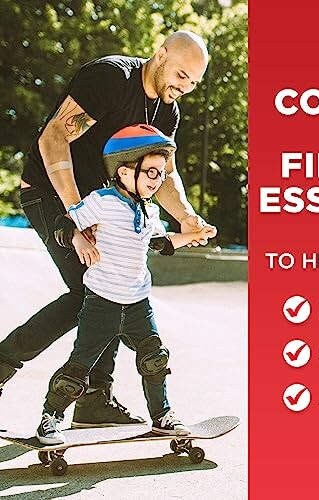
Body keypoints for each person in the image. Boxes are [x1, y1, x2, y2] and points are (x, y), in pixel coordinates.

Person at [0, 30, 212, 427]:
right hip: (50, 191)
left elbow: (163, 172)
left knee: (112, 284)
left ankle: (95, 399)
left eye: (193, 83)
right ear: (160, 55)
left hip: (101, 207)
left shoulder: (166, 112)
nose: (184, 87)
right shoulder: (112, 78)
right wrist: (77, 213)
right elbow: (53, 139)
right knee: (91, 292)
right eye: (181, 75)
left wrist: (185, 216)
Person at [37, 124, 217, 445]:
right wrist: (79, 239)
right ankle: (51, 417)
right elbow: (64, 223)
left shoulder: (148, 209)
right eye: (151, 172)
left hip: (138, 304)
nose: (157, 180)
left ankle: (162, 416)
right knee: (81, 365)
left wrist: (194, 234)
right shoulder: (102, 201)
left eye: (161, 174)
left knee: (154, 358)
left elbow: (160, 243)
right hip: (101, 303)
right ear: (124, 171)